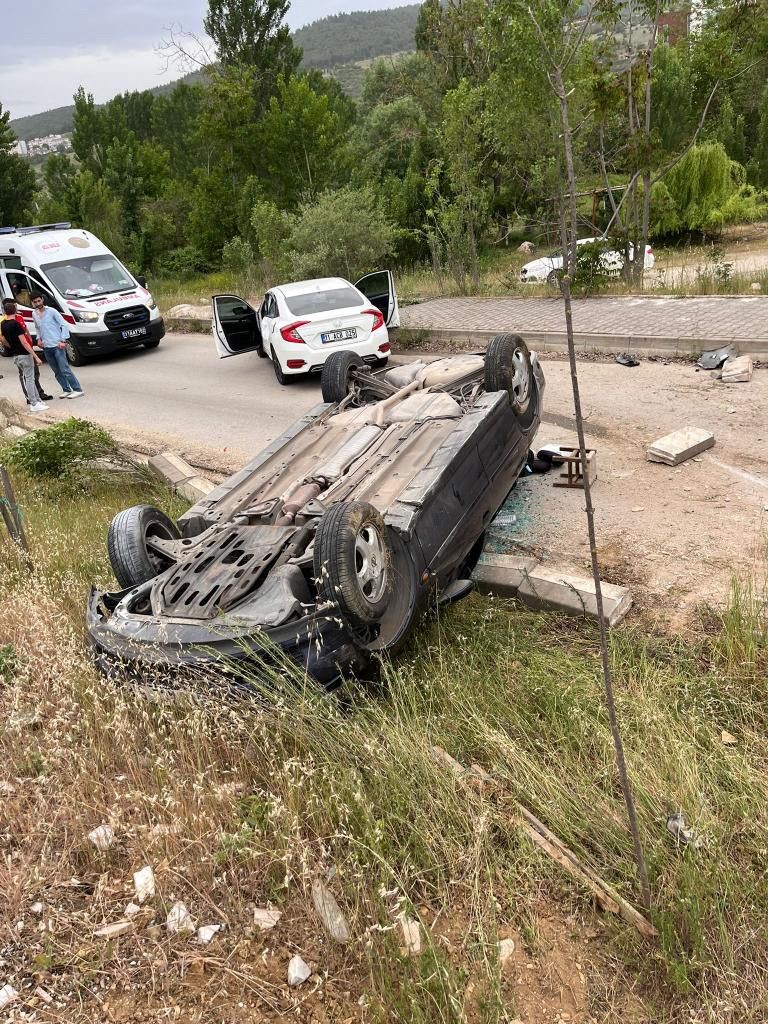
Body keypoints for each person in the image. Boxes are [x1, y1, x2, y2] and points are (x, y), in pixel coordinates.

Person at [30, 294, 84, 399]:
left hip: (57, 345)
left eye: (39, 301)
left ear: (42, 299)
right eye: (35, 302)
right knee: (56, 371)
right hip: (46, 346)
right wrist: (38, 338)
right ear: (32, 303)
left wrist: (63, 340)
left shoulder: (52, 311)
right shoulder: (34, 314)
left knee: (64, 369)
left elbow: (63, 324)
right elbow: (37, 328)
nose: (38, 303)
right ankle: (66, 389)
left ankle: (77, 389)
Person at [0, 298, 47, 412]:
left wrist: (11, 347)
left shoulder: (3, 324)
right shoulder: (16, 324)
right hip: (24, 354)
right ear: (15, 310)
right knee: (30, 379)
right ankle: (34, 403)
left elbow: (3, 340)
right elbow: (24, 341)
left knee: (28, 377)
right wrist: (35, 356)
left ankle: (37, 400)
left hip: (16, 354)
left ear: (5, 312)